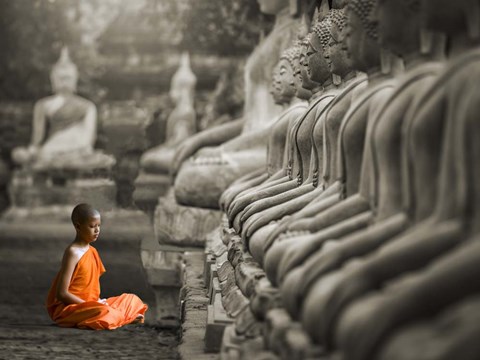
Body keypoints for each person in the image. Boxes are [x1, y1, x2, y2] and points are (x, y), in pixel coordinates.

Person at [46, 204, 148, 330]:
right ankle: (121, 318)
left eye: (99, 226)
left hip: (94, 305)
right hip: (72, 308)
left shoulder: (92, 251)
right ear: (78, 226)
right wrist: (89, 305)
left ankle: (117, 317)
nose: (97, 230)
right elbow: (62, 294)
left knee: (132, 299)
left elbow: (91, 289)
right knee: (105, 312)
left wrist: (98, 302)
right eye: (92, 226)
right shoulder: (72, 252)